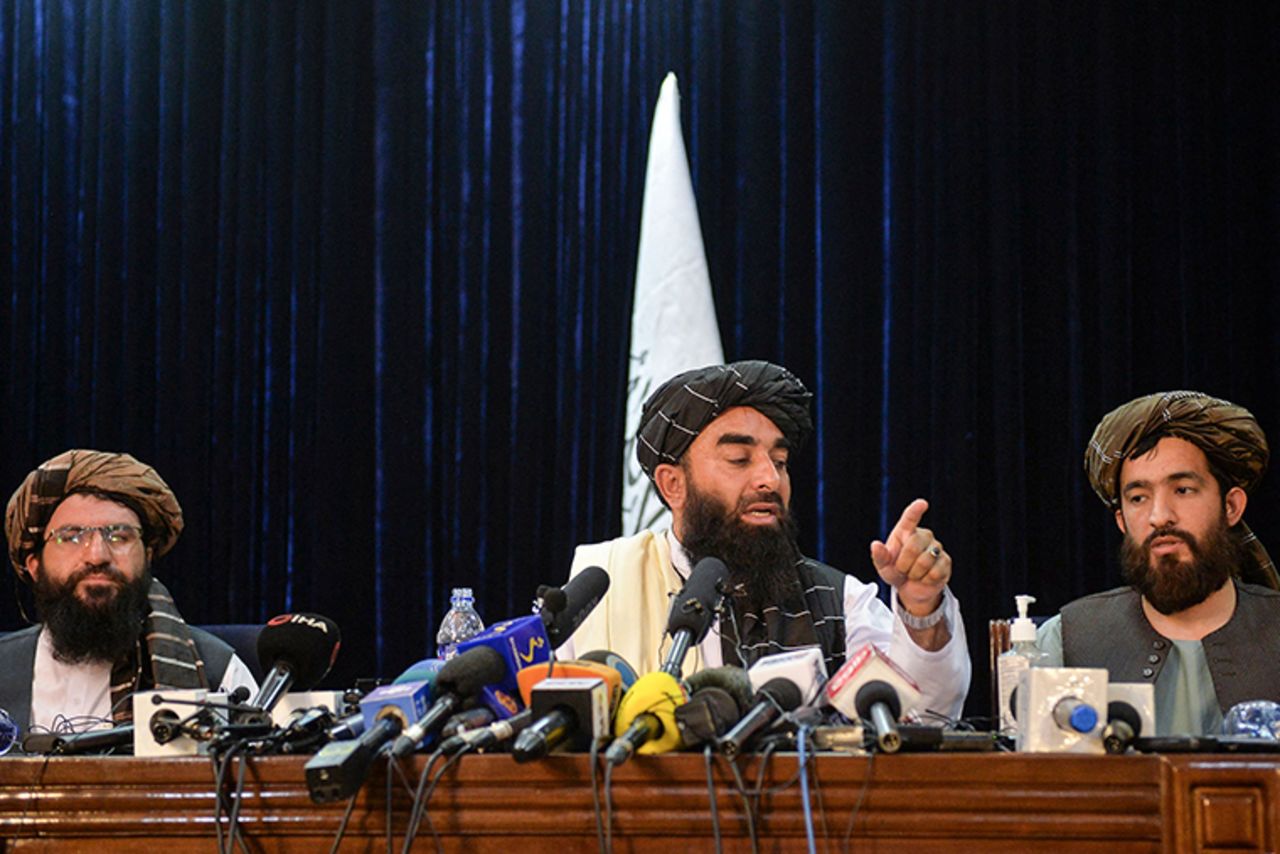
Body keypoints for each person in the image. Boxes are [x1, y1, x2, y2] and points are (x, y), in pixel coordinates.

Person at [561, 361, 970, 719]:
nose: (770, 480)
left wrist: (921, 609)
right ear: (673, 484)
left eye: (779, 462)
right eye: (740, 460)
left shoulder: (836, 599)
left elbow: (924, 716)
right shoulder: (605, 587)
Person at [1036, 391, 1280, 735]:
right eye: (1138, 498)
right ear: (1121, 520)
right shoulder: (1063, 642)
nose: (1159, 516)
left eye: (1182, 490)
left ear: (1231, 507)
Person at [0, 450, 258, 741]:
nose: (97, 555)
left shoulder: (219, 673)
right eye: (71, 536)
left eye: (119, 537)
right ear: (34, 565)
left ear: (147, 556)